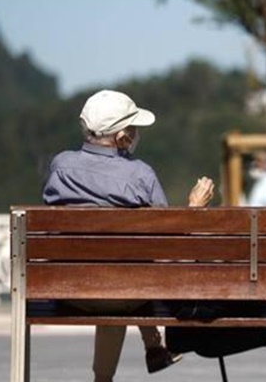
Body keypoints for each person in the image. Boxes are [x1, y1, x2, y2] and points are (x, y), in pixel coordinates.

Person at [42, 89, 215, 382]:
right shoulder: (140, 175)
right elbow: (170, 246)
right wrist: (194, 208)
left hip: (69, 290)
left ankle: (120, 369)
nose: (136, 134)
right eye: (133, 128)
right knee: (122, 279)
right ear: (122, 137)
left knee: (110, 271)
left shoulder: (61, 166)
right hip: (124, 292)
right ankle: (152, 348)